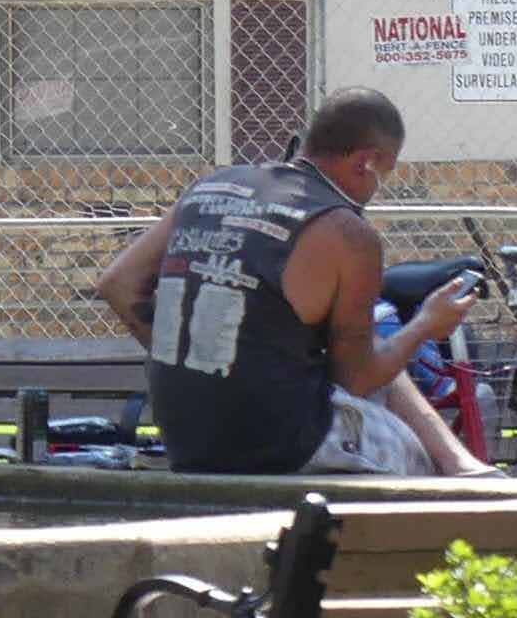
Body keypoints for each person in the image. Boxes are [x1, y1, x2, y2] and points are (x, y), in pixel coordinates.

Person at [95, 89, 493, 477]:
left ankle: (461, 463)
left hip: (186, 436)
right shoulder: (345, 231)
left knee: (369, 342)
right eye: (384, 174)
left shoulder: (212, 187)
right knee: (418, 465)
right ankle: (453, 472)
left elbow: (117, 283)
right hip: (279, 442)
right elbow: (357, 378)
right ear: (366, 162)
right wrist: (426, 324)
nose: (377, 189)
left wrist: (192, 356)